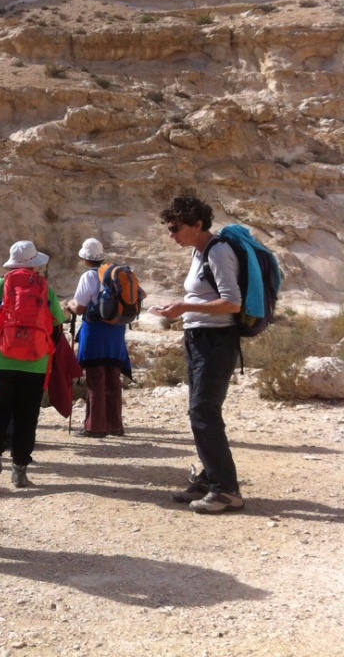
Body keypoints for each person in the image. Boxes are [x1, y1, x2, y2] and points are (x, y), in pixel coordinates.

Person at [155, 195, 246, 514]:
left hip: (216, 340)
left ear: (197, 224)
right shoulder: (199, 252)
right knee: (200, 412)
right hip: (198, 337)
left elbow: (232, 303)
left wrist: (185, 307)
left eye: (176, 228)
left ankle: (227, 490)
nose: (171, 235)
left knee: (204, 412)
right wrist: (180, 311)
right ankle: (210, 479)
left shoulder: (219, 252)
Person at [0, 240, 66, 490]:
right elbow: (57, 326)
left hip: (2, 360)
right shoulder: (45, 289)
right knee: (27, 416)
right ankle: (19, 471)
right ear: (35, 265)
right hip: (36, 363)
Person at [66, 239, 133, 438]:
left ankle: (95, 427)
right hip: (117, 332)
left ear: (86, 259)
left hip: (95, 331)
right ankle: (115, 425)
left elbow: (80, 307)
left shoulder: (89, 276)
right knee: (113, 376)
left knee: (96, 377)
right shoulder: (117, 275)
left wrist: (70, 305)